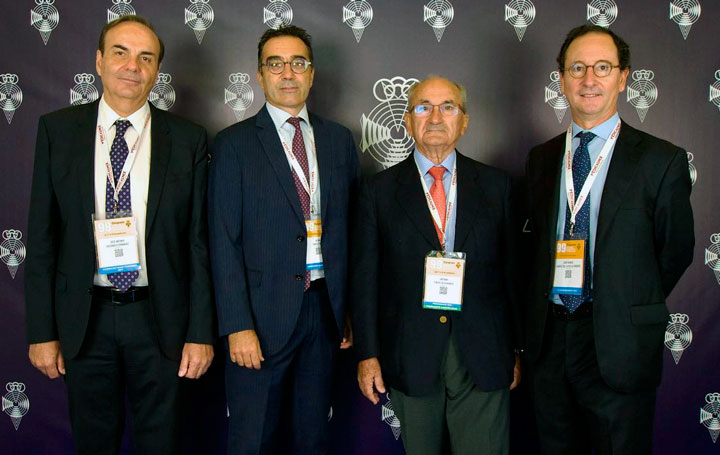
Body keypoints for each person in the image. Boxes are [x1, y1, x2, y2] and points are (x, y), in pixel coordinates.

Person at [25, 15, 215, 454]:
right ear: (98, 61)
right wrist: (42, 331)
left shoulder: (188, 139)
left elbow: (198, 244)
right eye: (121, 53)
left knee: (160, 442)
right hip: (84, 318)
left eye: (145, 57)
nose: (133, 66)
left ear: (156, 71)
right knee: (94, 443)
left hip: (160, 318)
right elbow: (43, 237)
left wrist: (200, 332)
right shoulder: (58, 130)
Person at [525, 24, 695, 454]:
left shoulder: (661, 160)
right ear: (561, 80)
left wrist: (625, 297)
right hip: (549, 342)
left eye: (602, 67)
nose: (589, 79)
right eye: (577, 67)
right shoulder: (541, 159)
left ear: (623, 78)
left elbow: (674, 251)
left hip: (620, 344)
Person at [350, 76, 521, 455]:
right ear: (408, 122)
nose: (436, 116)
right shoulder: (377, 192)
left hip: (483, 352)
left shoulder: (498, 187)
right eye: (423, 107)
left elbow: (513, 275)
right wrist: (367, 353)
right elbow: (365, 280)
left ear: (465, 120)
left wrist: (517, 350)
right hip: (410, 353)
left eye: (448, 107)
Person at [208, 25, 359, 454]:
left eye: (298, 63)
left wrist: (344, 307)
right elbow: (222, 240)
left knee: (312, 439)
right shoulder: (233, 145)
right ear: (260, 76)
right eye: (275, 63)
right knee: (253, 440)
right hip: (259, 318)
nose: (287, 73)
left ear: (312, 74)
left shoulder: (338, 140)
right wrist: (237, 326)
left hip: (323, 313)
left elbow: (348, 231)